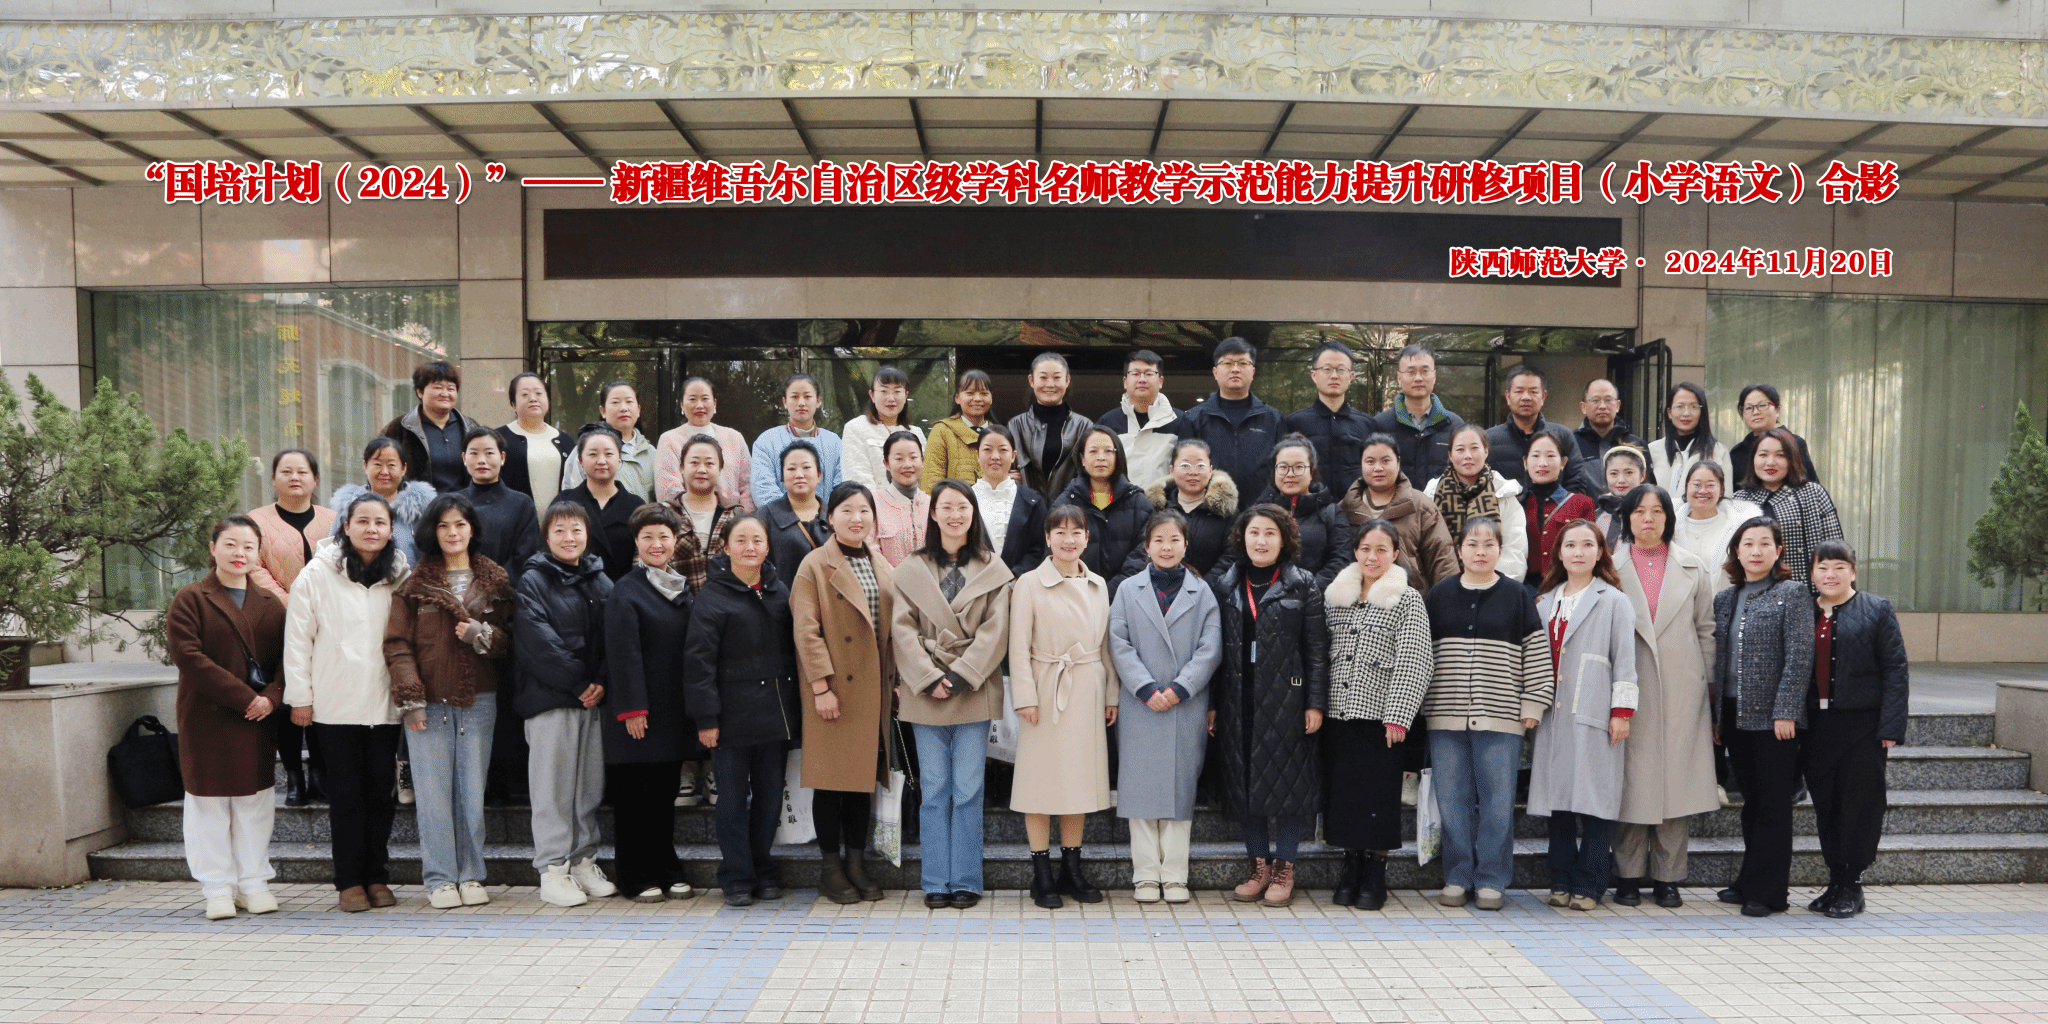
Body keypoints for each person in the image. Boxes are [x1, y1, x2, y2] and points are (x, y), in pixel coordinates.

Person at [382, 494, 514, 910]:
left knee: (472, 791)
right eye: (443, 525)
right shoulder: (414, 586)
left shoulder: (495, 581)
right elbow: (397, 645)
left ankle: (471, 874)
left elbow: (509, 641)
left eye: (460, 524)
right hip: (429, 701)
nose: (452, 532)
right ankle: (440, 878)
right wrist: (411, 698)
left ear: (472, 529)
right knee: (434, 793)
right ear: (432, 532)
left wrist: (481, 635)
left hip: (479, 698)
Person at [284, 493, 410, 913]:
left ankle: (377, 876)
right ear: (346, 526)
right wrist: (300, 697)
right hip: (334, 706)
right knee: (345, 797)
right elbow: (297, 640)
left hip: (385, 705)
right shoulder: (316, 574)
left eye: (380, 522)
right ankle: (349, 881)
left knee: (381, 796)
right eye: (363, 521)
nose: (372, 529)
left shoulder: (400, 574)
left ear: (390, 530)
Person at [891, 480, 1014, 909]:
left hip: (972, 689)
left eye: (962, 506)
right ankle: (934, 881)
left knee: (968, 789)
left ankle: (965, 879)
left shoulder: (993, 568)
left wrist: (961, 675)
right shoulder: (911, 567)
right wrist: (929, 676)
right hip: (924, 690)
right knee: (935, 788)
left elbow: (997, 630)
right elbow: (902, 629)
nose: (955, 514)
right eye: (946, 507)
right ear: (933, 514)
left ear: (973, 512)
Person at [1421, 517, 1553, 912]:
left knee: (1498, 801)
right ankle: (1458, 874)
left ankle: (1492, 878)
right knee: (1452, 800)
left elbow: (1537, 653)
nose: (1480, 551)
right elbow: (1421, 654)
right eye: (1472, 544)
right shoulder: (1439, 595)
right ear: (1459, 549)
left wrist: (1533, 704)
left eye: (1489, 544)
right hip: (1445, 717)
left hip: (1502, 716)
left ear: (1500, 549)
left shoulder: (1517, 595)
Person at [1210, 505, 1330, 908]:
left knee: (1290, 785)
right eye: (1254, 532)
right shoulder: (1227, 583)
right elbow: (1215, 650)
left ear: (1284, 539)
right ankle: (1258, 865)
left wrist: (1315, 702)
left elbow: (1316, 649)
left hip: (1288, 700)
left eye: (1270, 533)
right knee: (1245, 782)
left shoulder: (1303, 584)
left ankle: (1285, 868)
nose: (1260, 541)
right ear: (1242, 537)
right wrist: (1213, 703)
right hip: (1237, 698)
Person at [169, 514, 288, 920]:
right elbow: (189, 657)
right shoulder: (191, 598)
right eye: (231, 544)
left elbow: (286, 660)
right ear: (213, 548)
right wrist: (245, 698)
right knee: (209, 805)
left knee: (255, 803)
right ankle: (218, 888)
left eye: (249, 546)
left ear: (259, 554)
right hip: (208, 717)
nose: (240, 553)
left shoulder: (270, 603)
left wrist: (271, 697)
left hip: (259, 718)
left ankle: (254, 883)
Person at [1610, 484, 1720, 910]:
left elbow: (1706, 630)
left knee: (1677, 785)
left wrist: (1708, 689)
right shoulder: (1610, 567)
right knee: (1631, 784)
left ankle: (1668, 878)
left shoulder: (1693, 567)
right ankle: (1627, 875)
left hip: (1682, 688)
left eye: (1657, 511)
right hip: (1629, 686)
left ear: (1669, 518)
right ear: (1627, 517)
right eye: (1640, 511)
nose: (1649, 519)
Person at [1108, 510, 1223, 905]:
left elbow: (1210, 648)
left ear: (1185, 545)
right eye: (1159, 540)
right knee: (1139, 789)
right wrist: (1144, 687)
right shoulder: (1128, 590)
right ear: (1147, 546)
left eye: (1174, 539)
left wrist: (1179, 688)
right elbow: (1118, 642)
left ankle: (1174, 876)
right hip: (1139, 702)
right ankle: (1144, 875)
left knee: (1179, 789)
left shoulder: (1202, 592)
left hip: (1184, 703)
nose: (1167, 547)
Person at [791, 482, 897, 905]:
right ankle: (829, 867)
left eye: (864, 510)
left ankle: (856, 862)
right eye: (847, 510)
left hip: (874, 689)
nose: (857, 518)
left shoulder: (880, 562)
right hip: (835, 690)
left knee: (860, 783)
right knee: (831, 782)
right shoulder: (814, 565)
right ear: (830, 517)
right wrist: (821, 686)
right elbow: (806, 630)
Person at [685, 515, 799, 907]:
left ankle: (763, 869)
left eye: (757, 540)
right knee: (732, 801)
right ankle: (735, 876)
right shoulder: (712, 596)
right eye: (741, 540)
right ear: (726, 547)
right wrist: (706, 719)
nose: (750, 547)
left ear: (768, 546)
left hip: (775, 714)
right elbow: (698, 664)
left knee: (770, 799)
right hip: (730, 719)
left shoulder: (779, 590)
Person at [1009, 504, 1118, 909]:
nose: (1069, 539)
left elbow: (1104, 645)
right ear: (1047, 538)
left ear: (1087, 538)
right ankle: (1041, 874)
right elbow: (1018, 645)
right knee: (1039, 783)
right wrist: (1025, 696)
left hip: (1087, 688)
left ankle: (1072, 869)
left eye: (1076, 532)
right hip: (1045, 687)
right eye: (1060, 532)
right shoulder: (1029, 583)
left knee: (1078, 782)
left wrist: (1111, 694)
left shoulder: (1098, 584)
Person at [1320, 519, 1431, 911]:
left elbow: (1415, 660)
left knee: (1378, 796)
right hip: (1338, 713)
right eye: (1366, 548)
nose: (1372, 557)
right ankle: (1351, 866)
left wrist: (1398, 715)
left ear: (1395, 554)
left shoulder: (1407, 599)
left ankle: (1375, 872)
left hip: (1381, 717)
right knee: (1344, 795)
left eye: (1382, 549)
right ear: (1355, 551)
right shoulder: (1336, 595)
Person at [512, 500, 618, 908]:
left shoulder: (600, 579)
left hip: (592, 700)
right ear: (546, 536)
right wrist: (578, 681)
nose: (569, 537)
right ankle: (553, 870)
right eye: (559, 530)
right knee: (552, 789)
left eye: (576, 529)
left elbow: (616, 636)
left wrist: (601, 680)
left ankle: (583, 862)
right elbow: (537, 641)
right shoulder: (533, 580)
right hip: (551, 700)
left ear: (587, 534)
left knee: (588, 788)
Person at [1529, 520, 1638, 911]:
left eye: (1587, 545)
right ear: (1558, 553)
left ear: (1600, 552)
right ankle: (1560, 879)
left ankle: (1590, 884)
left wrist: (1621, 711)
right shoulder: (1544, 603)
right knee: (1557, 804)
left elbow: (1625, 661)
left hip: (1595, 711)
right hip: (1552, 717)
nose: (1578, 552)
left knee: (1595, 803)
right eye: (1570, 545)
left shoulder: (1614, 601)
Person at [1711, 517, 1815, 918]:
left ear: (1778, 550)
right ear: (1737, 552)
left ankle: (1770, 893)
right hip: (1733, 714)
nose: (1756, 551)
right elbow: (1719, 661)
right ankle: (1748, 880)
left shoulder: (1793, 593)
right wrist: (1717, 719)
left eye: (1764, 543)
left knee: (1773, 804)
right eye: (1748, 544)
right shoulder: (1726, 598)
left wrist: (1786, 711)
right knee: (1751, 802)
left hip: (1775, 719)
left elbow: (1799, 657)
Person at [601, 503, 704, 903]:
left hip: (670, 713)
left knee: (663, 797)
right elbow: (622, 654)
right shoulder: (626, 590)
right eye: (648, 537)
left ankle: (666, 866)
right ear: (637, 542)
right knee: (634, 800)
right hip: (637, 714)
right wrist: (633, 709)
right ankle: (634, 874)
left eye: (664, 536)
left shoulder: (680, 587)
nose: (657, 543)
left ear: (676, 541)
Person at [1802, 540, 1909, 919]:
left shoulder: (1876, 609)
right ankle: (1836, 881)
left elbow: (1895, 668)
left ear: (1853, 571)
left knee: (1860, 805)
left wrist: (1891, 725)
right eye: (1822, 567)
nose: (1830, 574)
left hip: (1863, 726)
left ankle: (1853, 885)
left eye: (1838, 567)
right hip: (1817, 726)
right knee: (1827, 805)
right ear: (1812, 573)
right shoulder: (1804, 611)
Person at [246, 448, 335, 807]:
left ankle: (320, 774)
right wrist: (293, 605)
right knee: (286, 699)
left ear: (315, 479)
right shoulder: (256, 521)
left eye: (302, 471)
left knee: (321, 697)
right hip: (276, 623)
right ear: (273, 478)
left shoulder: (333, 520)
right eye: (286, 471)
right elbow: (253, 567)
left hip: (327, 625)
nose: (295, 477)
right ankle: (294, 777)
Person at [1338, 433, 1458, 592]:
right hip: (1357, 600)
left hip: (1412, 600)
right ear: (1361, 464)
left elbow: (1443, 562)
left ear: (1398, 462)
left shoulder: (1420, 505)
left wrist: (1448, 600)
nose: (1378, 468)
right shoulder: (1345, 508)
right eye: (1370, 461)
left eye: (1385, 461)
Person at [1231, 434, 1350, 585]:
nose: (1290, 474)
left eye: (1299, 467)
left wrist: (1308, 591)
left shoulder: (1331, 513)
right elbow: (1239, 556)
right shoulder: (1256, 512)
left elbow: (1340, 559)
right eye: (1283, 467)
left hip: (1314, 594)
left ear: (1311, 471)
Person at [1051, 426, 1156, 592]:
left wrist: (1112, 591)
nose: (1101, 457)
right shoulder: (1065, 503)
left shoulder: (1139, 503)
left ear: (1117, 456)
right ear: (1082, 458)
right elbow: (1055, 552)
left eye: (1108, 451)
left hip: (1128, 594)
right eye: (1093, 451)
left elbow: (1143, 552)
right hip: (1077, 594)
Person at [1733, 427, 1844, 583]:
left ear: (1792, 459)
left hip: (1806, 589)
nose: (1770, 462)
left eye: (1780, 455)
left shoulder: (1813, 493)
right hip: (1754, 590)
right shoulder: (1739, 500)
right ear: (1753, 459)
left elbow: (1836, 550)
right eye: (1763, 455)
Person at [1172, 337, 1283, 492]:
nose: (1235, 369)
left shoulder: (1273, 418)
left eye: (1243, 363)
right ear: (1215, 372)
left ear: (1253, 372)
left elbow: (1281, 468)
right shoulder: (1193, 418)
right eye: (1228, 363)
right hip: (1209, 504)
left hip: (1261, 505)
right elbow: (1184, 469)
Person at [1422, 425, 1529, 583]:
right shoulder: (1432, 493)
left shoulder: (1503, 492)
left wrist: (1497, 586)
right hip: (1443, 586)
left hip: (1493, 586)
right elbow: (1424, 546)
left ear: (1486, 451)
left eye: (1474, 448)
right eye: (1460, 450)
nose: (1468, 456)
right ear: (1450, 455)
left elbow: (1515, 549)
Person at [1485, 364, 1601, 495]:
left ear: (1543, 397)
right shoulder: (1489, 439)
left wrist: (1555, 505)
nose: (1526, 397)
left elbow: (1577, 481)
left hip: (1555, 507)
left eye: (1533, 391)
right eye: (1519, 391)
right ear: (1508, 396)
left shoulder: (1563, 435)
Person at [1367, 343, 1464, 490]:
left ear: (1434, 376)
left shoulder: (1454, 425)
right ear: (1399, 378)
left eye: (1425, 371)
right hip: (1395, 504)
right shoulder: (1380, 425)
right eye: (1411, 372)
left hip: (1442, 504)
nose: (1418, 378)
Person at [1136, 438, 1237, 578]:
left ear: (1210, 470)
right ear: (1171, 470)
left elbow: (1231, 556)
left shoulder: (1225, 510)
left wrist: (1202, 587)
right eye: (1185, 465)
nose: (1193, 472)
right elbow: (1140, 552)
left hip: (1210, 588)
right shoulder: (1154, 508)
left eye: (1200, 465)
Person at [557, 427, 646, 583]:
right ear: (581, 460)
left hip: (623, 590)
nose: (601, 461)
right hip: (573, 588)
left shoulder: (636, 505)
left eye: (609, 454)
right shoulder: (564, 501)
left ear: (619, 458)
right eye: (593, 454)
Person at [330, 437, 437, 564]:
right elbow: (331, 552)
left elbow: (432, 557)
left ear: (403, 468)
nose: (384, 472)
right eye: (377, 464)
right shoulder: (348, 508)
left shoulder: (421, 511)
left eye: (391, 465)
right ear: (365, 466)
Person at [451, 426, 541, 572]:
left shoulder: (522, 504)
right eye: (474, 453)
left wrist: (498, 581)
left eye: (489, 453)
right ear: (464, 458)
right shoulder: (451, 503)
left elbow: (525, 555)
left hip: (510, 584)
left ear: (502, 458)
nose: (481, 460)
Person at [655, 377, 753, 509]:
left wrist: (743, 517)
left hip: (733, 517)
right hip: (683, 518)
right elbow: (668, 490)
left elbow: (747, 486)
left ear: (714, 403)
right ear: (682, 405)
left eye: (705, 398)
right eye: (692, 399)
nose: (699, 405)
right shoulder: (669, 439)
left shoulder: (734, 438)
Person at [380, 360, 476, 494]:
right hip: (418, 505)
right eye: (438, 387)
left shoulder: (470, 428)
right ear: (420, 392)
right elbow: (379, 468)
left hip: (463, 505)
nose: (445, 393)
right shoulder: (400, 428)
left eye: (450, 389)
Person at [1008, 352, 1095, 496]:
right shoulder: (1016, 425)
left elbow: (1090, 472)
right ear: (1031, 380)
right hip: (1027, 505)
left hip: (1071, 506)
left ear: (1067, 380)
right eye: (1043, 377)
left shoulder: (1084, 426)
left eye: (1056, 377)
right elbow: (1007, 467)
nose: (1050, 384)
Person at [751, 373, 844, 505]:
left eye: (807, 396)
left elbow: (842, 488)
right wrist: (792, 515)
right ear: (785, 402)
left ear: (818, 401)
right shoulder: (766, 441)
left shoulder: (834, 442)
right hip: (779, 517)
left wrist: (825, 514)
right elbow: (763, 490)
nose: (801, 403)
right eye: (794, 397)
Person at [1519, 432, 1597, 588]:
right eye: (1535, 456)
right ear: (1525, 462)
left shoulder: (1582, 503)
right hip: (1525, 589)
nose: (1542, 463)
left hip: (1568, 587)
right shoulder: (1517, 504)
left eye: (1550, 456)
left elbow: (1589, 551)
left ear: (1563, 462)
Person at [666, 435, 743, 590]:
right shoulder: (665, 513)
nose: (701, 470)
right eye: (694, 462)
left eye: (709, 463)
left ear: (720, 469)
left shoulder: (736, 515)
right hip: (674, 602)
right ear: (682, 467)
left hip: (726, 602)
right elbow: (645, 567)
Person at [1096, 350, 1180, 491]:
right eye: (1135, 374)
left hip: (1165, 502)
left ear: (1160, 381)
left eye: (1148, 373)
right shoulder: (1107, 423)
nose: (1142, 379)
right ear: (1125, 381)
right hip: (1119, 501)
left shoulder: (1179, 420)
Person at [970, 424, 1048, 576]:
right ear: (977, 455)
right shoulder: (964, 499)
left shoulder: (1032, 501)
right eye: (987, 449)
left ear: (1013, 456)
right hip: (974, 583)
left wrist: (1015, 578)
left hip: (1020, 584)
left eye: (1003, 450)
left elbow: (1040, 547)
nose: (995, 456)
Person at [1673, 461, 1762, 590]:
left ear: (1721, 490)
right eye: (1697, 484)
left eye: (1710, 485)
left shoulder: (1738, 527)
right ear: (1687, 487)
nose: (1703, 491)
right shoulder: (1669, 525)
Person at [496, 372, 575, 516]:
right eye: (525, 394)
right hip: (514, 521)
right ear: (513, 404)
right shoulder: (498, 439)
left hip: (560, 523)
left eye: (539, 393)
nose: (533, 399)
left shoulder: (565, 441)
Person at [841, 366, 927, 491]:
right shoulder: (856, 428)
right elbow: (857, 478)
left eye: (897, 391)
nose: (891, 398)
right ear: (872, 395)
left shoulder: (916, 432)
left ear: (906, 395)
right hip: (869, 501)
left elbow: (923, 478)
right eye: (884, 391)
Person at [762, 441, 833, 583]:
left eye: (806, 467)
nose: (799, 475)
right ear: (782, 478)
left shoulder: (835, 515)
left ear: (819, 475)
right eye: (791, 469)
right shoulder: (764, 517)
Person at [1727, 383, 1820, 488]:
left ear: (1777, 410)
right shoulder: (1737, 452)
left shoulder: (1795, 443)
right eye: (1748, 408)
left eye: (1762, 405)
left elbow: (1810, 486)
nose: (1755, 412)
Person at [922, 368, 996, 490]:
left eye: (984, 393)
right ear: (957, 397)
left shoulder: (998, 434)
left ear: (991, 398)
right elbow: (931, 480)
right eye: (970, 393)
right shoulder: (942, 430)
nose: (978, 399)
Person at [1648, 382, 1728, 490]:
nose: (1686, 413)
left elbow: (1725, 495)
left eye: (1694, 407)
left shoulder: (1718, 451)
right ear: (1669, 412)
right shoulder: (1653, 450)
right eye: (1679, 406)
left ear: (1702, 412)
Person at [871, 431, 930, 567]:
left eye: (913, 457)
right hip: (887, 580)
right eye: (899, 459)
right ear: (886, 463)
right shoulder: (872, 503)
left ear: (922, 461)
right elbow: (871, 552)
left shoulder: (933, 503)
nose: (907, 464)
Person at [1571, 378, 1647, 465]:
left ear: (1618, 406)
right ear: (1583, 407)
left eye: (1608, 400)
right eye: (1595, 400)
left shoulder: (1637, 444)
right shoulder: (1570, 443)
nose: (1602, 406)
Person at [1593, 445, 1649, 545]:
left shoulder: (1652, 513)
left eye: (1629, 472)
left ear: (1642, 475)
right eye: (1614, 473)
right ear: (1605, 475)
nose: (1621, 480)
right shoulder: (1596, 516)